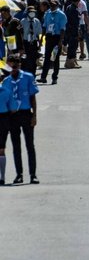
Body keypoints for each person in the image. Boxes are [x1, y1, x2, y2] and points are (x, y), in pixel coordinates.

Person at [3, 55, 39, 184]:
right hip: (12, 116)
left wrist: (34, 115)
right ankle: (19, 174)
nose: (13, 69)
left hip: (25, 113)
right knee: (16, 146)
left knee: (30, 145)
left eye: (15, 66)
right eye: (11, 66)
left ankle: (33, 174)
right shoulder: (6, 81)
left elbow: (33, 98)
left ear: (19, 65)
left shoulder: (28, 77)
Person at [38, 0, 67, 85]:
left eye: (54, 5)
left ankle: (54, 77)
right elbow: (44, 26)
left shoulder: (61, 15)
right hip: (49, 37)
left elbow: (62, 29)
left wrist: (60, 41)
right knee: (46, 57)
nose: (52, 7)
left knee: (55, 58)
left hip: (57, 38)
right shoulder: (47, 14)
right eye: (51, 5)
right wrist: (41, 39)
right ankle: (43, 77)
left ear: (57, 5)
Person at [0, 64, 16, 185]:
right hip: (4, 120)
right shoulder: (7, 92)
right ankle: (2, 177)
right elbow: (13, 109)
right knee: (1, 150)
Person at [20, 6, 42, 75]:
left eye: (33, 12)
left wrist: (40, 44)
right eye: (30, 12)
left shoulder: (37, 21)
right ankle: (26, 73)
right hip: (26, 42)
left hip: (34, 42)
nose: (32, 13)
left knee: (34, 59)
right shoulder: (23, 21)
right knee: (26, 59)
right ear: (27, 13)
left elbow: (39, 33)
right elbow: (21, 33)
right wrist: (22, 45)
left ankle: (33, 73)